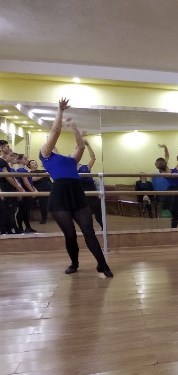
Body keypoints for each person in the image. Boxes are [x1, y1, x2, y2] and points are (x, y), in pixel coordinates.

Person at [39, 98, 113, 277]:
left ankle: (103, 265)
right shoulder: (45, 155)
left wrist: (74, 128)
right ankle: (74, 263)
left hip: (77, 193)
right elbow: (55, 131)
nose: (51, 141)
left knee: (89, 231)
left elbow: (80, 146)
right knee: (70, 234)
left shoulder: (71, 160)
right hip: (60, 196)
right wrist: (60, 111)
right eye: (49, 140)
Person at [77, 138, 103, 229]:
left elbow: (93, 158)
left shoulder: (85, 167)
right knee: (86, 217)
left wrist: (88, 145)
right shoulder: (70, 169)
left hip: (92, 194)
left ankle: (103, 228)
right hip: (81, 196)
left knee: (99, 215)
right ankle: (89, 231)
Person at [0, 141, 25, 234]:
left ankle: (8, 230)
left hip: (6, 189)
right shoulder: (1, 161)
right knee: (6, 212)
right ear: (2, 148)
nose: (9, 148)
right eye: (7, 147)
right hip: (5, 189)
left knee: (7, 212)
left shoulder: (3, 162)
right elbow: (8, 177)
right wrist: (18, 188)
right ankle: (6, 231)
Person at [14, 154, 38, 233]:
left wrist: (34, 189)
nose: (27, 160)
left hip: (27, 192)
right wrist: (32, 191)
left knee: (24, 210)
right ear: (20, 160)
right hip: (25, 192)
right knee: (23, 211)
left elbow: (29, 182)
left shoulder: (24, 170)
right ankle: (22, 227)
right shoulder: (21, 170)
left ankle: (26, 227)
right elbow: (26, 182)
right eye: (25, 159)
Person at [27, 158, 53, 224]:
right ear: (29, 166)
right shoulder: (29, 173)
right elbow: (33, 179)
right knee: (43, 204)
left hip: (50, 189)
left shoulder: (42, 171)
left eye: (35, 162)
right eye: (33, 163)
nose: (35, 163)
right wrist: (43, 174)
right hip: (40, 191)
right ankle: (44, 218)